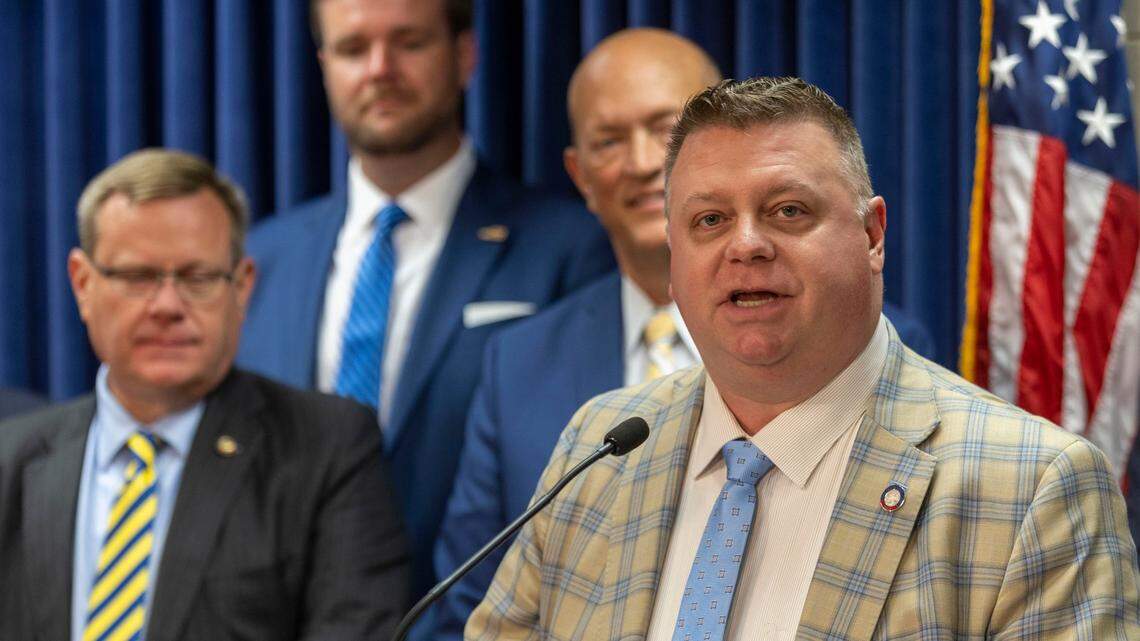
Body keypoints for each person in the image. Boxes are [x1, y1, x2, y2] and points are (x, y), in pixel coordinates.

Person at [465, 78, 1140, 640]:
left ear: (872, 235)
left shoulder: (1034, 488)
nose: (746, 245)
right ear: (674, 255)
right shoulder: (599, 447)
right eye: (709, 220)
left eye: (787, 211)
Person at [430, 30, 941, 639]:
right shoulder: (530, 374)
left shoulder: (866, 345)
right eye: (610, 140)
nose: (644, 162)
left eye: (666, 132)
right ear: (580, 173)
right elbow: (470, 606)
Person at [236, 0, 614, 597]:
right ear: (325, 66)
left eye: (409, 42)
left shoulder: (568, 248)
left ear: (464, 55)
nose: (379, 69)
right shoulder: (262, 258)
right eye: (353, 49)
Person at [0, 149, 409, 641]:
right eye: (138, 277)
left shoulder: (329, 449)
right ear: (83, 284)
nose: (167, 305)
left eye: (198, 278)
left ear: (242, 287)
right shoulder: (11, 459)